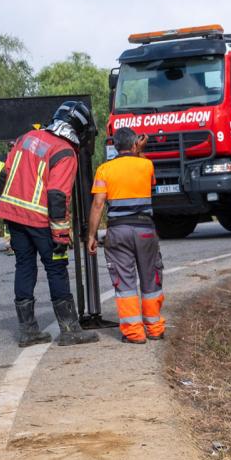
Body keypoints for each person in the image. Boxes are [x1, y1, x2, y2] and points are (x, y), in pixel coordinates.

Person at [0, 101, 99, 347]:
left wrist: (9, 208)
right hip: (41, 220)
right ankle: (69, 330)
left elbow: (4, 175)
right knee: (56, 269)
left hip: (14, 216)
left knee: (24, 266)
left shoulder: (27, 138)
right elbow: (57, 196)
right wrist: (61, 237)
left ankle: (28, 331)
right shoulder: (64, 151)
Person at [86, 127, 165, 344]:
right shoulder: (146, 164)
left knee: (125, 283)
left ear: (114, 146)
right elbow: (149, 182)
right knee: (151, 278)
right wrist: (139, 151)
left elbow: (98, 204)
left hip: (118, 231)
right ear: (134, 145)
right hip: (145, 231)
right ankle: (155, 328)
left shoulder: (104, 170)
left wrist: (91, 235)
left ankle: (134, 333)